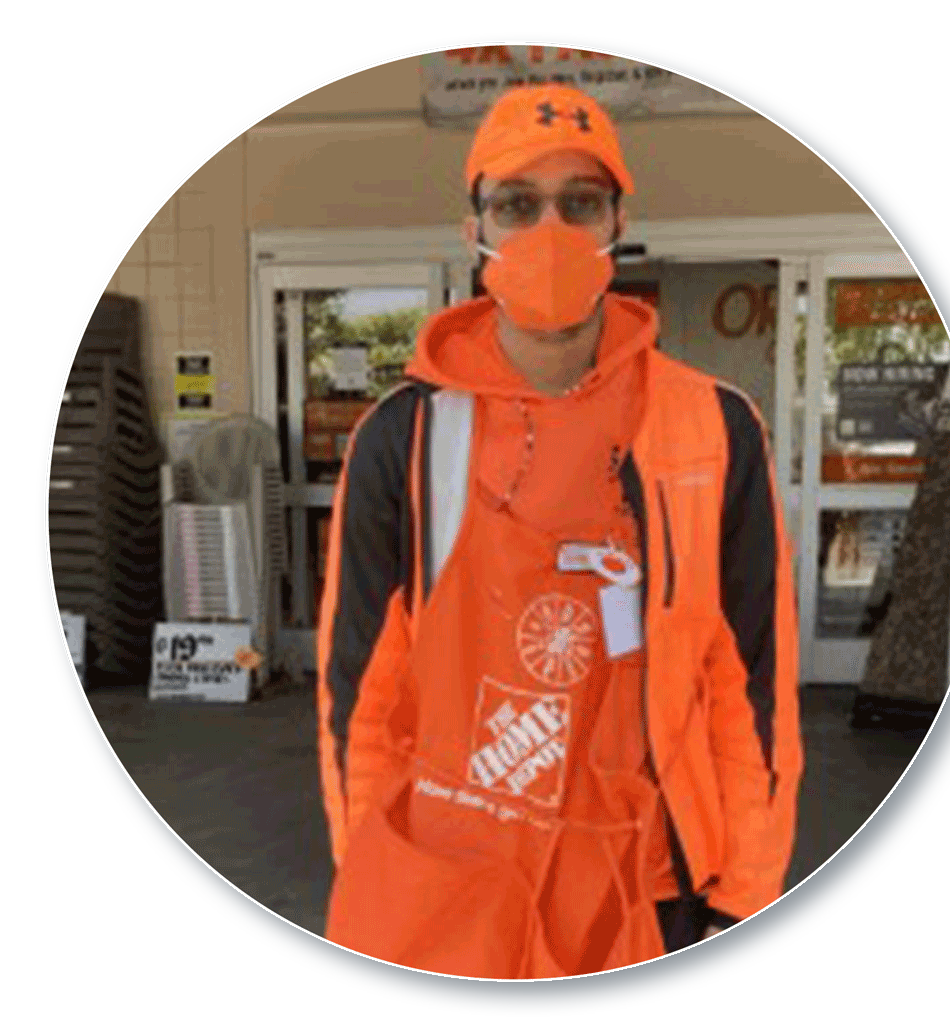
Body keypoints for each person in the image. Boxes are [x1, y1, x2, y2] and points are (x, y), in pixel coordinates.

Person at [316, 83, 803, 979]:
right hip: (459, 874)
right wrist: (369, 868)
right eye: (517, 204)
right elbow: (364, 692)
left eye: (580, 203)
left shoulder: (714, 427)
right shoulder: (405, 436)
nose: (550, 232)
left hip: (653, 881)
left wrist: (750, 891)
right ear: (476, 233)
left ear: (620, 223)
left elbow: (749, 682)